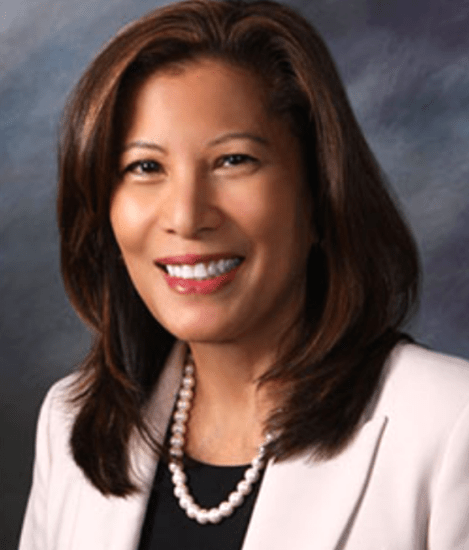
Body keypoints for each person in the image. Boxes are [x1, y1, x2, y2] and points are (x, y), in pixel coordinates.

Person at [19, 0, 469, 548]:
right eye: (145, 167)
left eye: (234, 160)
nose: (187, 216)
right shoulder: (71, 423)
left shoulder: (451, 423)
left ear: (320, 193)